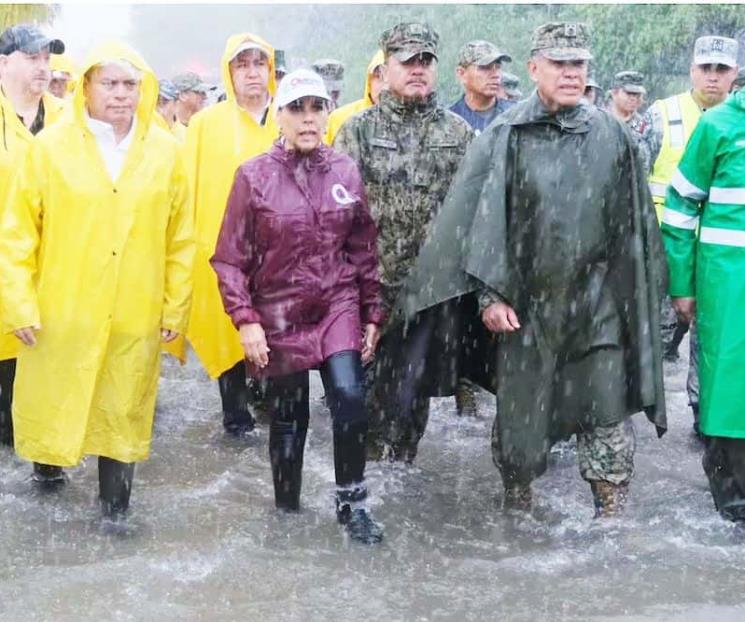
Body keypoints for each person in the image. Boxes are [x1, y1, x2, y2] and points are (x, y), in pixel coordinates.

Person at [396, 22, 667, 516]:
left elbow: (636, 231)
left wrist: (640, 305)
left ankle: (610, 523)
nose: (569, 73)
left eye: (578, 64)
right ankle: (517, 512)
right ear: (535, 67)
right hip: (526, 311)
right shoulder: (506, 135)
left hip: (596, 307)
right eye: (559, 63)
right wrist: (489, 297)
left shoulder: (614, 136)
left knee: (606, 416)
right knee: (521, 433)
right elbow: (479, 223)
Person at [0, 41, 194, 515]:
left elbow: (181, 241)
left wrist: (175, 308)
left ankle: (115, 519)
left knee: (122, 414)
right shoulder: (50, 149)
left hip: (135, 309)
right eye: (109, 83)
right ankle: (48, 513)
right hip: (62, 311)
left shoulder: (165, 154)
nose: (121, 94)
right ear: (85, 86)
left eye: (131, 84)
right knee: (54, 418)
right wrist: (19, 305)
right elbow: (17, 235)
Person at [211, 69, 385, 543]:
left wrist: (373, 311)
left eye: (317, 108)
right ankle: (286, 511)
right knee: (290, 414)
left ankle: (352, 505)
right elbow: (228, 259)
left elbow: (362, 247)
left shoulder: (345, 170)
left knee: (350, 399)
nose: (308, 119)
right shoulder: (253, 177)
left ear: (328, 113)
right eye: (297, 109)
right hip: (280, 308)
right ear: (279, 117)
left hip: (336, 302)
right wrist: (246, 321)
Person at [334, 22, 473, 462]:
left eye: (425, 61)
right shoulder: (357, 131)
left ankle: (402, 472)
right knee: (365, 398)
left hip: (431, 294)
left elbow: (477, 214)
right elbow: (337, 216)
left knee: (414, 397)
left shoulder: (459, 133)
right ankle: (364, 481)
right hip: (370, 290)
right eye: (407, 61)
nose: (418, 69)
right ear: (385, 67)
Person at [184, 33, 279, 434]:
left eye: (259, 63)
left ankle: (275, 413)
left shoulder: (289, 116)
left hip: (279, 253)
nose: (252, 73)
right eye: (242, 65)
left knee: (277, 336)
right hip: (223, 250)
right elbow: (186, 187)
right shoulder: (206, 124)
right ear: (229, 72)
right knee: (227, 333)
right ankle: (236, 418)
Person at [661, 85, 745, 522]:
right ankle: (732, 496)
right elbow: (679, 208)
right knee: (728, 384)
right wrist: (683, 284)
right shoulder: (718, 125)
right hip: (728, 283)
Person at [648, 35, 738, 430]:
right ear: (692, 70)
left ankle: (707, 424)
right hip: (668, 256)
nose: (713, 77)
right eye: (706, 68)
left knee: (713, 347)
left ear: (735, 74)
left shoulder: (735, 121)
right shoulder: (661, 115)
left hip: (721, 266)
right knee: (656, 345)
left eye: (722, 69)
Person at [0, 23, 66, 448]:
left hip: (56, 269)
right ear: (4, 63)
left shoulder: (69, 119)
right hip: (5, 265)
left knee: (51, 375)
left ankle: (46, 463)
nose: (43, 68)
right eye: (32, 58)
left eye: (47, 58)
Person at [450, 40, 514, 134]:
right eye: (485, 67)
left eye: (498, 67)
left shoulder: (515, 115)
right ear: (462, 74)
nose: (495, 74)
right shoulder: (449, 120)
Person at [325, 50, 384, 144]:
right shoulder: (340, 118)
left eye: (390, 78)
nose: (384, 86)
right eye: (378, 77)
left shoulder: (413, 122)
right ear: (369, 81)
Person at [609, 71, 657, 173]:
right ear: (614, 93)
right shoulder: (601, 121)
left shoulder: (645, 125)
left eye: (637, 94)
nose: (634, 98)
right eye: (629, 93)